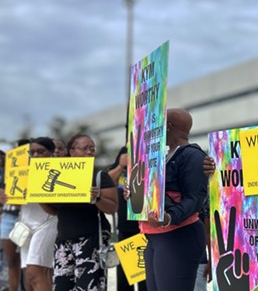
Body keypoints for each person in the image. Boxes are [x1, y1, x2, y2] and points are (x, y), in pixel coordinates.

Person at [133, 108, 208, 291]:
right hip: (155, 236)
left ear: (167, 126)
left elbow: (196, 197)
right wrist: (134, 192)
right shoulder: (159, 157)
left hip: (178, 235)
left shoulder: (192, 155)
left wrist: (168, 217)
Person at [40, 133, 118, 291]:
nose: (89, 151)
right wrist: (40, 197)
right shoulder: (62, 175)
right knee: (61, 286)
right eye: (85, 148)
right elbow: (54, 211)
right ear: (71, 151)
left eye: (92, 148)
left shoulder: (99, 176)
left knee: (88, 287)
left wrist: (97, 199)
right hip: (64, 241)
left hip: (91, 240)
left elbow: (113, 208)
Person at [20, 137, 58, 291]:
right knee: (28, 277)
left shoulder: (56, 171)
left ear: (51, 152)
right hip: (26, 225)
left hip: (47, 223)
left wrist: (36, 194)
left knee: (36, 272)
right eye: (32, 152)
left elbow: (56, 206)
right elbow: (16, 203)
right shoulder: (23, 172)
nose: (35, 155)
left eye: (40, 151)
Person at [107, 147, 147, 291]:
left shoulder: (146, 155)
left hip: (146, 226)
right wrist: (121, 166)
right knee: (124, 275)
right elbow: (107, 182)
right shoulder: (125, 151)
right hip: (126, 228)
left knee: (145, 275)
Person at [0, 139, 28, 291]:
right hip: (8, 217)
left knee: (28, 263)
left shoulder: (33, 171)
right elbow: (2, 200)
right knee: (12, 263)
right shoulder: (5, 173)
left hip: (25, 218)